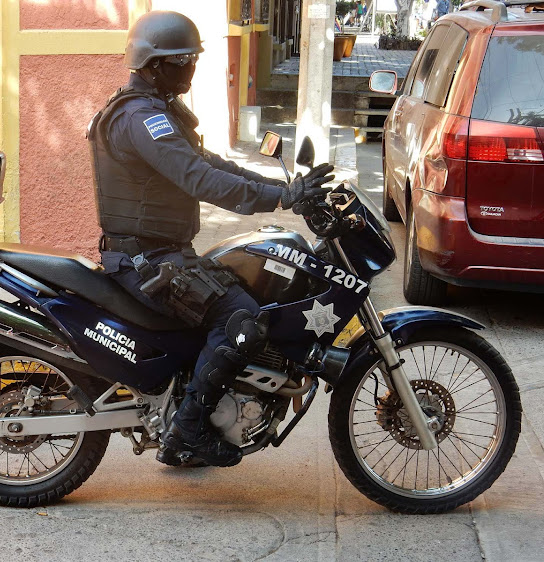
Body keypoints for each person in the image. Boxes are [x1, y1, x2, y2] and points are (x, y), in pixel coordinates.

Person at [87, 11, 334, 468]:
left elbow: (214, 164)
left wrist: (281, 188)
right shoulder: (143, 118)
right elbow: (199, 179)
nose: (192, 68)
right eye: (185, 59)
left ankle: (187, 410)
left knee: (243, 282)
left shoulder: (156, 109)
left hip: (162, 253)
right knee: (242, 318)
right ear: (155, 63)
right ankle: (188, 433)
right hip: (145, 260)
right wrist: (280, 197)